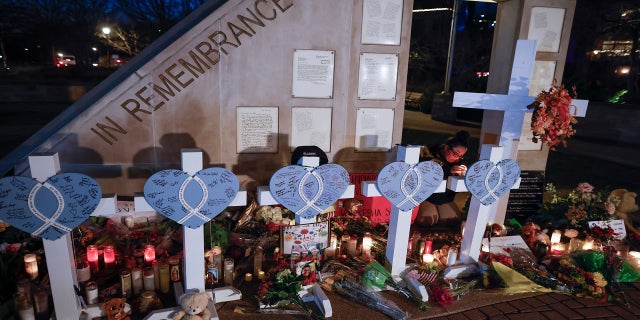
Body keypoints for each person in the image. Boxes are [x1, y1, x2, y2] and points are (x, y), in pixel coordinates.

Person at [414, 130, 470, 227]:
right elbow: (428, 176)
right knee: (427, 220)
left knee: (453, 221)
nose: (457, 158)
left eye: (461, 156)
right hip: (426, 196)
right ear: (446, 147)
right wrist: (449, 172)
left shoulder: (455, 162)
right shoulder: (428, 155)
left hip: (444, 198)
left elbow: (453, 188)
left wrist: (462, 175)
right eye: (455, 154)